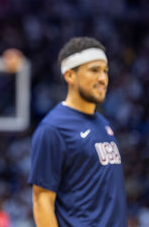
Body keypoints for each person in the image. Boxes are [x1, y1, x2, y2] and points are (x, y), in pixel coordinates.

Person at [28, 37, 127, 226]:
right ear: (69, 75)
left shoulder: (103, 123)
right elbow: (42, 201)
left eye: (105, 71)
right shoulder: (53, 128)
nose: (103, 78)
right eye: (94, 70)